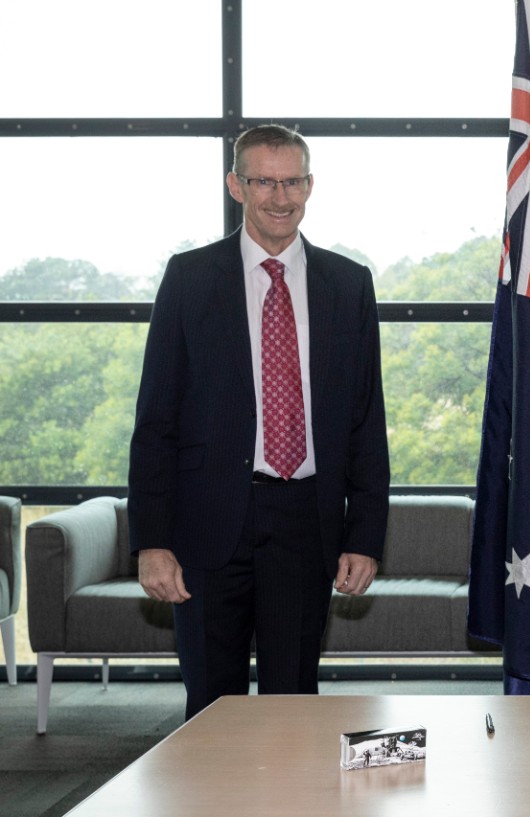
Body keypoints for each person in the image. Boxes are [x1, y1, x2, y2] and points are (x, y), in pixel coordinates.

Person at [128, 124, 390, 719]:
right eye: (264, 181)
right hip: (207, 525)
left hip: (306, 525)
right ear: (236, 185)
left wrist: (365, 536)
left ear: (311, 185)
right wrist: (151, 542)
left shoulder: (349, 285)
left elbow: (365, 421)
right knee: (211, 709)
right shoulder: (189, 278)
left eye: (292, 181)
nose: (280, 196)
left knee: (292, 706)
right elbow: (155, 422)